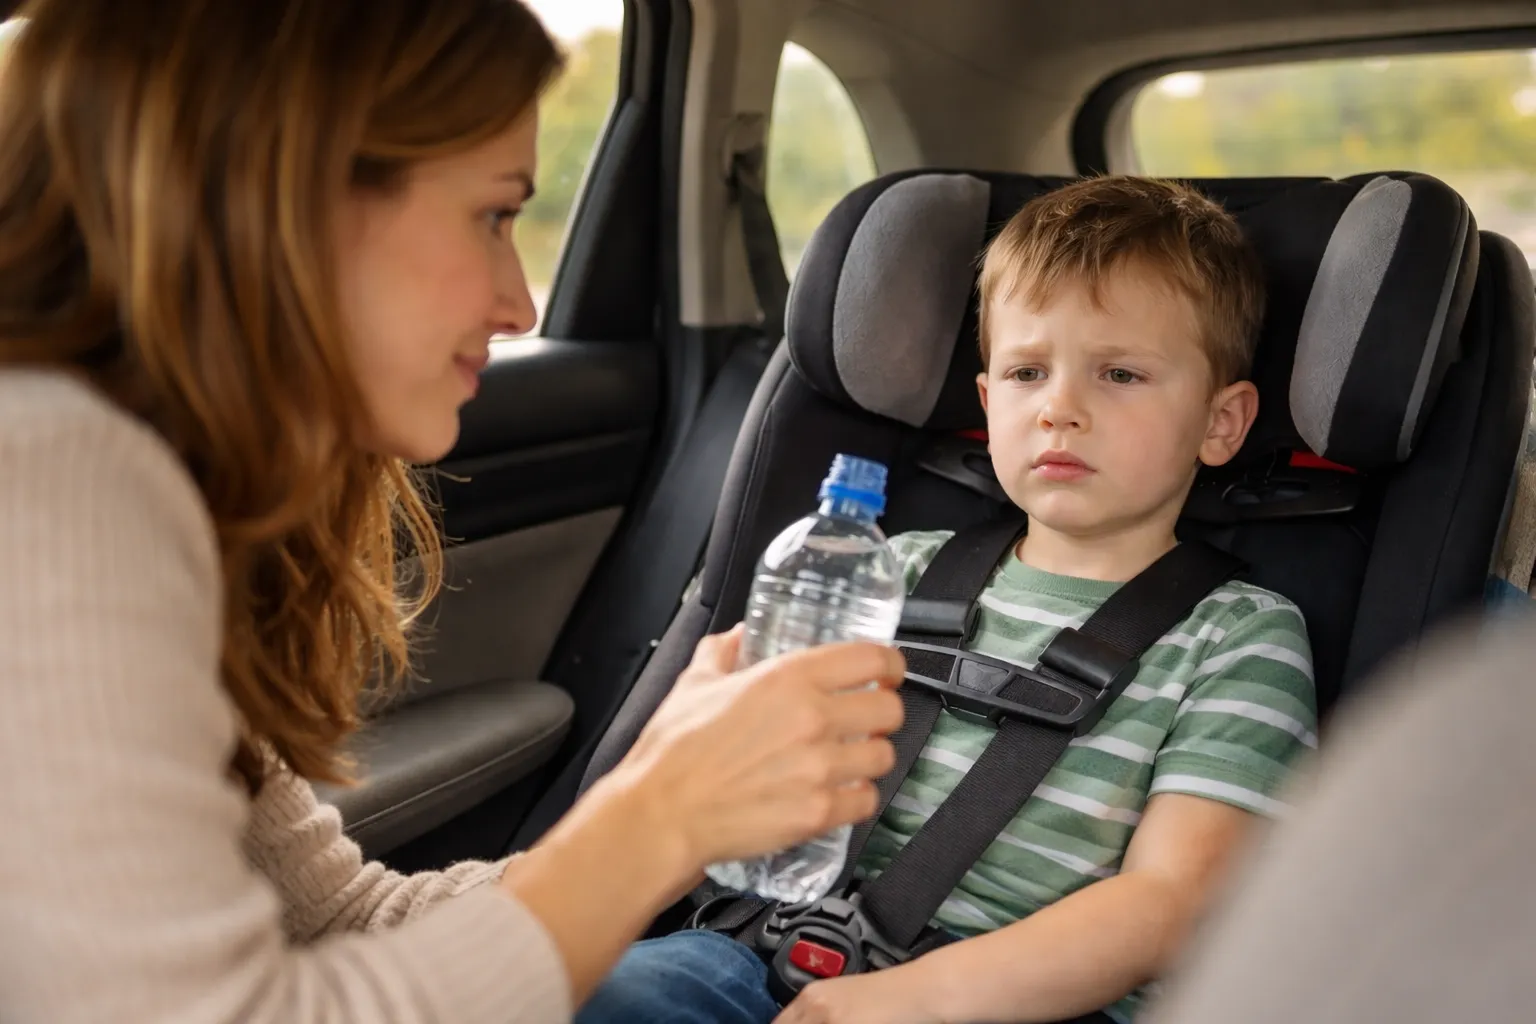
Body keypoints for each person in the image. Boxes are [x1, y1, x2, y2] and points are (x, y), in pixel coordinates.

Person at [0, 2, 908, 1022]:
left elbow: (342, 916)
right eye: (492, 215)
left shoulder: (143, 491)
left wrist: (653, 783)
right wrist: (661, 815)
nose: (519, 304)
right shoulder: (50, 466)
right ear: (282, 199)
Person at [576, 176, 1321, 1024]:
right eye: (1027, 372)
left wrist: (906, 1002)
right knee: (596, 991)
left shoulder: (1239, 638)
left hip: (1012, 1002)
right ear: (987, 400)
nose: (1059, 409)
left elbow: (1171, 904)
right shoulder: (889, 566)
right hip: (760, 949)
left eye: (1119, 373)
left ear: (1221, 422)